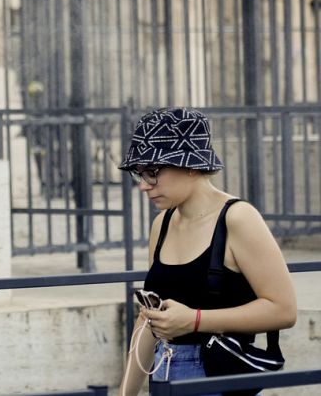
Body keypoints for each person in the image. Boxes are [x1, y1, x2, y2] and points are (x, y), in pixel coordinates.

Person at [116, 108, 296, 396]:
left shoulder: (237, 218)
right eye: (139, 173)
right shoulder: (162, 223)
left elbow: (283, 309)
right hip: (163, 374)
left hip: (217, 378)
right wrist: (125, 393)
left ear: (191, 165)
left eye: (152, 172)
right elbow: (149, 318)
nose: (143, 185)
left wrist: (196, 320)